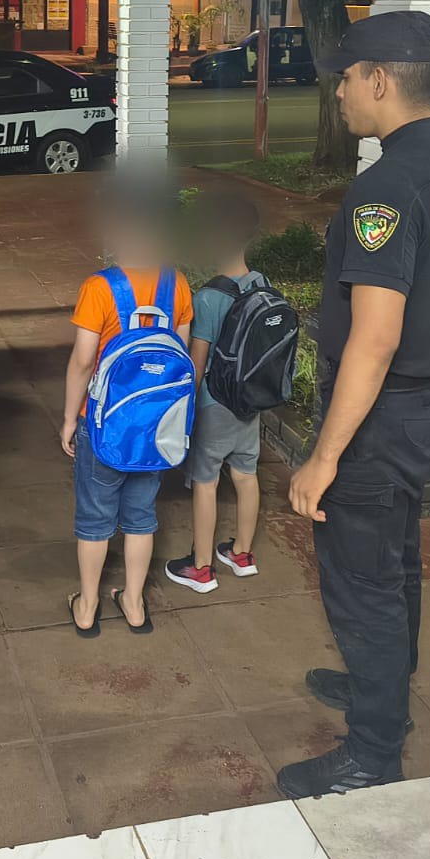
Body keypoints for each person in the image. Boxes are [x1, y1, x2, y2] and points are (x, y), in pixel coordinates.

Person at [278, 11, 430, 798]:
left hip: (377, 418)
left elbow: (373, 337)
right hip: (422, 406)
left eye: (345, 78)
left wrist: (324, 457)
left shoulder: (389, 184)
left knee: (362, 583)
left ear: (377, 80)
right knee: (395, 564)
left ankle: (371, 751)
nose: (338, 93)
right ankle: (382, 686)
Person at [62, 177, 193, 636]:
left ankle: (87, 606)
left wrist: (69, 418)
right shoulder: (177, 284)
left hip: (103, 425)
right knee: (141, 517)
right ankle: (134, 604)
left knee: (95, 518)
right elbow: (183, 357)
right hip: (157, 428)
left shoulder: (99, 288)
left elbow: (83, 361)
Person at [165, 191, 266, 593]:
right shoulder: (262, 284)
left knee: (206, 482)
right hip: (250, 401)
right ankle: (241, 554)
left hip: (215, 404)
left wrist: (185, 407)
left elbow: (198, 361)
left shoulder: (208, 298)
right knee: (245, 474)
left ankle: (201, 567)